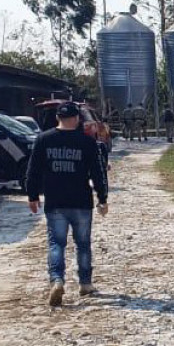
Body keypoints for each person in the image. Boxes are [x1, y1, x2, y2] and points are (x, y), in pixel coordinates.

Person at [26, 102, 109, 306]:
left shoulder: (44, 139)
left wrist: (32, 196)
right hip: (81, 201)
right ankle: (85, 283)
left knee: (56, 243)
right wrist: (103, 198)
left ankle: (57, 280)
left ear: (57, 118)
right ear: (77, 119)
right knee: (82, 244)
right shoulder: (87, 143)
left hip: (55, 201)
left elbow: (33, 170)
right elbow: (98, 173)